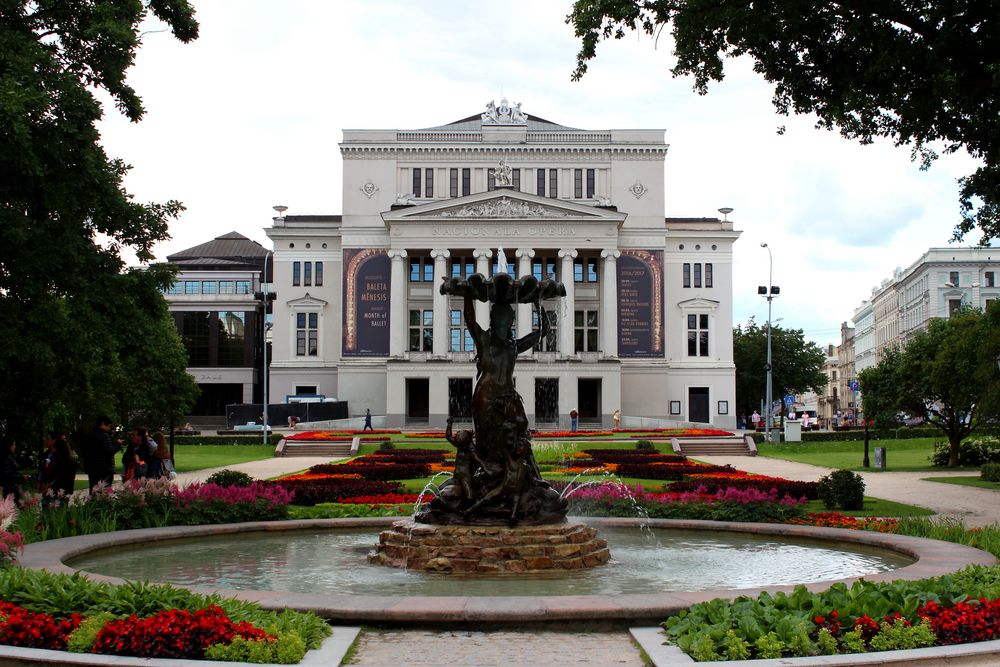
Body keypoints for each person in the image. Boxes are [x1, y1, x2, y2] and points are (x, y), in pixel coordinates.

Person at [83, 416, 120, 492]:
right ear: (103, 424)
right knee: (105, 492)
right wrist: (118, 444)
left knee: (94, 490)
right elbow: (110, 451)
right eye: (108, 426)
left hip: (92, 468)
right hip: (104, 469)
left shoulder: (89, 435)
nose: (109, 428)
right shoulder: (104, 436)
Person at [40, 432, 76, 498]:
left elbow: (57, 474)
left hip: (58, 490)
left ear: (54, 441)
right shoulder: (47, 454)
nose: (45, 440)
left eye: (47, 439)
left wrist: (48, 485)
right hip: (50, 489)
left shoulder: (62, 458)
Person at [0, 436, 23, 505]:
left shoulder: (8, 457)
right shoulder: (5, 459)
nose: (15, 447)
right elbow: (7, 476)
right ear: (9, 446)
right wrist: (21, 477)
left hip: (11, 490)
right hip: (8, 491)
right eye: (14, 445)